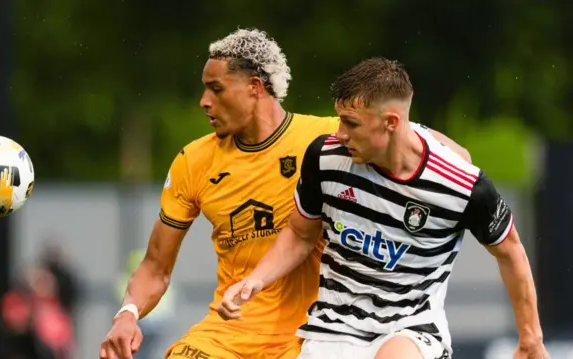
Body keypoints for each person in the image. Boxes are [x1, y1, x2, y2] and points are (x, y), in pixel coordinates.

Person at [99, 29, 470, 359]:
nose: (203, 101)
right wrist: (127, 313)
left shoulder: (332, 138)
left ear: (255, 88)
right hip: (229, 333)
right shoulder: (192, 162)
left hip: (314, 336)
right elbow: (155, 267)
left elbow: (454, 156)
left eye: (215, 88)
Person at [218, 57, 549, 359]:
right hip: (334, 326)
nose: (340, 133)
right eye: (339, 120)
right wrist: (254, 282)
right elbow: (300, 235)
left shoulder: (462, 185)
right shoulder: (325, 157)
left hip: (411, 327)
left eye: (351, 123)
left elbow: (511, 252)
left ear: (391, 122)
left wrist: (530, 338)